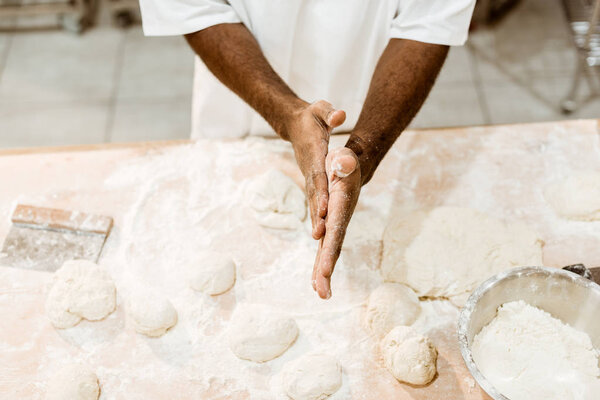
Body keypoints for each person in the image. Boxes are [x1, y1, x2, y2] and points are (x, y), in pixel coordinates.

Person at [138, 0, 476, 299]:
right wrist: (286, 114)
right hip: (239, 111)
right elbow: (196, 7)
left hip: (372, 109)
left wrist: (364, 149)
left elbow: (428, 19)